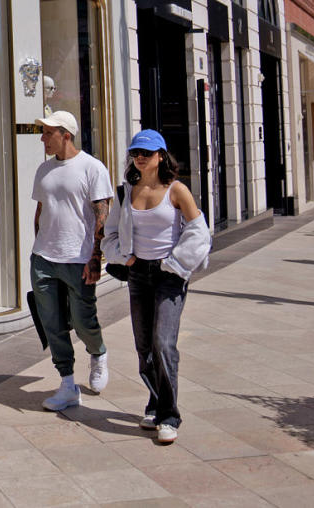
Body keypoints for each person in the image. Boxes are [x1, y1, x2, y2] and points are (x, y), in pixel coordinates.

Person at [103, 129, 211, 446]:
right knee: (144, 348)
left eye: (147, 153)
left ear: (161, 156)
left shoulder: (176, 191)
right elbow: (110, 236)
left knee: (163, 343)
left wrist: (176, 264)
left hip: (169, 274)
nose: (140, 157)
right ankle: (154, 401)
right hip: (139, 275)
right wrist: (124, 257)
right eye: (136, 152)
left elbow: (199, 232)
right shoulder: (125, 194)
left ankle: (169, 416)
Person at [30, 110, 112, 411]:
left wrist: (95, 259)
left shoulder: (92, 168)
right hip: (43, 259)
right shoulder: (43, 169)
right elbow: (41, 212)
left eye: (47, 133)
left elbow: (102, 215)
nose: (42, 139)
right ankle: (67, 384)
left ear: (66, 134)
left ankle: (98, 352)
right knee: (52, 323)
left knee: (82, 321)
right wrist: (37, 247)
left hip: (78, 259)